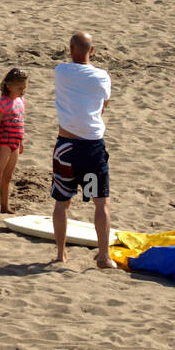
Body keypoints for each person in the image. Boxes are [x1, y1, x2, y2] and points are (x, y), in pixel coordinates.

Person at [52, 31, 114, 267]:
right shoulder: (101, 77)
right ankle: (104, 255)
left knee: (62, 201)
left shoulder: (61, 72)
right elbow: (102, 107)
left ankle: (61, 254)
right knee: (100, 201)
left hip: (66, 147)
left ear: (70, 49)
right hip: (91, 148)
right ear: (93, 51)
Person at [0, 68, 27, 216]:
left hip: (15, 142)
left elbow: (21, 122)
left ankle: (4, 206)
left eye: (24, 87)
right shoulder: (2, 104)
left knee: (8, 176)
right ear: (8, 86)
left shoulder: (20, 101)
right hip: (4, 143)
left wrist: (22, 142)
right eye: (20, 88)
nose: (23, 91)